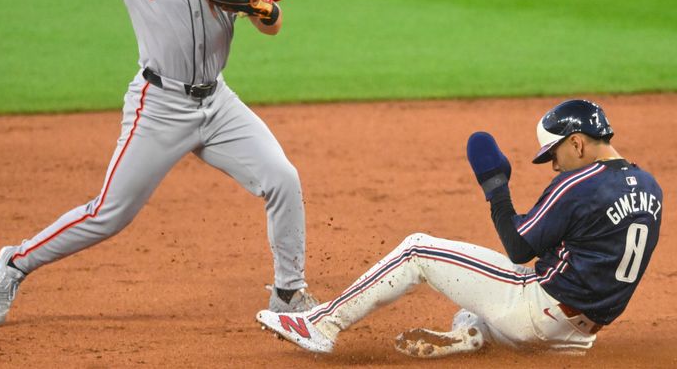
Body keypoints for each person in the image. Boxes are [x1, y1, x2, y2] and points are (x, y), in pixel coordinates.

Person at [0, 0, 317, 327]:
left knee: (282, 179)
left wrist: (261, 9)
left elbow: (274, 22)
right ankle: (15, 261)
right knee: (108, 215)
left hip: (218, 103)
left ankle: (289, 294)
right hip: (158, 107)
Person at [257, 99, 662, 358]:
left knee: (418, 250)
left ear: (576, 142)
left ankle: (319, 324)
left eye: (554, 153)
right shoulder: (651, 188)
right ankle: (474, 333)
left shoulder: (579, 183)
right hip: (578, 337)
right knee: (478, 303)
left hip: (537, 313)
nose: (554, 165)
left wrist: (496, 189)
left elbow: (519, 247)